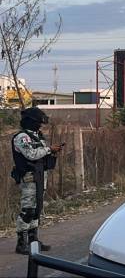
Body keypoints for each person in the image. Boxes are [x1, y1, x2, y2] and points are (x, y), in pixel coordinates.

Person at [10, 107, 62, 255]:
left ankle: (33, 241)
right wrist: (49, 149)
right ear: (30, 122)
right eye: (38, 123)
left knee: (37, 210)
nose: (40, 125)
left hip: (40, 176)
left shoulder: (37, 136)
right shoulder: (21, 137)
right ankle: (21, 244)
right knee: (28, 210)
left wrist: (52, 152)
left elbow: (42, 154)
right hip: (29, 177)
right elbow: (31, 154)